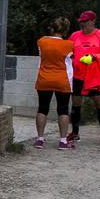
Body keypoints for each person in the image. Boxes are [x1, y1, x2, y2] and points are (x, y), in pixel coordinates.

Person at [68, 10, 100, 146]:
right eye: (81, 22)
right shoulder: (74, 36)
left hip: (96, 77)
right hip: (78, 76)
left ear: (93, 21)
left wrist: (95, 57)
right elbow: (68, 52)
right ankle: (75, 133)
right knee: (76, 104)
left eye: (85, 22)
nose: (83, 24)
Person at [34, 17, 75, 150]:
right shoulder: (69, 44)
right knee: (63, 109)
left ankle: (40, 139)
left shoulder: (41, 41)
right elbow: (71, 59)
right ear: (65, 30)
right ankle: (63, 141)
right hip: (62, 80)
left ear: (52, 27)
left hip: (44, 78)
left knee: (42, 108)